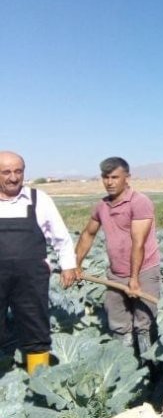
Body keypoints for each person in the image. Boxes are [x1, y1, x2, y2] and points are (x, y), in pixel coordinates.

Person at [74, 157, 161, 357]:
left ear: (127, 178)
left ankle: (150, 370)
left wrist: (134, 279)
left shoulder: (140, 202)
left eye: (115, 177)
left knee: (144, 323)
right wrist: (75, 264)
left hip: (144, 272)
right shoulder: (102, 206)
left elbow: (138, 242)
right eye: (106, 177)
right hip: (115, 274)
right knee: (118, 322)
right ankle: (124, 366)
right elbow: (88, 234)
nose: (110, 182)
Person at [0, 151, 77, 374]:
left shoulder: (38, 199)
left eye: (18, 171)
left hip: (31, 278)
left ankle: (40, 384)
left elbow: (60, 236)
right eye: (6, 172)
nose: (13, 177)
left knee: (36, 330)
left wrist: (68, 265)